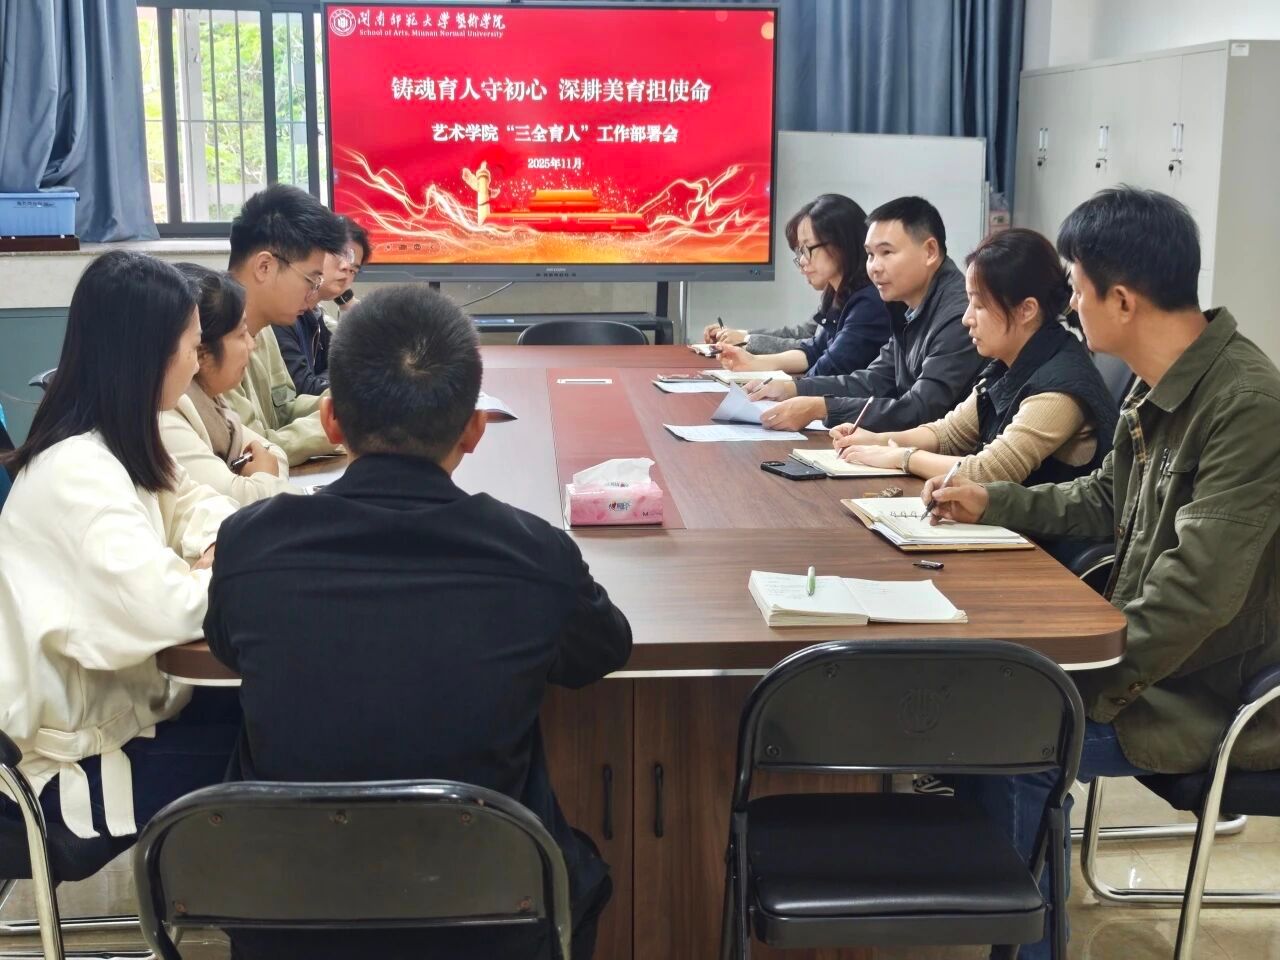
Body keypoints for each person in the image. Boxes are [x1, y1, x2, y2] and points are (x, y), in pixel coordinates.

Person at [205, 284, 633, 960]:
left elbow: (229, 649)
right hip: (489, 916)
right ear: (475, 428)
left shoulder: (249, 543)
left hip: (289, 912)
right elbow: (603, 651)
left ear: (332, 420)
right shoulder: (535, 555)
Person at [924, 188, 1280, 960]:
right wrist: (992, 500)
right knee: (982, 708)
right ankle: (994, 924)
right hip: (1157, 665)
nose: (1071, 306)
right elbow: (1103, 498)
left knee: (1015, 731)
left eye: (1076, 289)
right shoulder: (1160, 381)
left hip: (1210, 694)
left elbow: (1199, 594)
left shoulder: (1246, 405)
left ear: (1121, 300)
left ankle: (1025, 945)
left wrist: (1082, 684)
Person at [0, 251, 240, 843]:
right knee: (276, 751)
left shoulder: (121, 441)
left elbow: (202, 508)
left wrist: (215, 549)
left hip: (126, 719)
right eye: (192, 346)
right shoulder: (77, 471)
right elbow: (169, 608)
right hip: (72, 770)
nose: (197, 361)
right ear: (149, 355)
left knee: (274, 714)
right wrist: (217, 570)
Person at [833, 228, 1117, 485]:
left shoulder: (1060, 387)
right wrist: (875, 440)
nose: (967, 318)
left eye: (979, 305)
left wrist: (902, 457)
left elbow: (989, 471)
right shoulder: (1008, 363)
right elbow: (949, 434)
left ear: (1026, 310)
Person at [748, 196, 983, 433]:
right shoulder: (906, 303)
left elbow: (921, 409)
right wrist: (792, 389)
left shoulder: (958, 316)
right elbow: (875, 380)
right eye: (870, 254)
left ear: (930, 251)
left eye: (886, 252)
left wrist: (822, 408)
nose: (875, 267)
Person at [226, 183, 349, 466]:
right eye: (311, 280)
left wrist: (346, 403)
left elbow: (284, 409)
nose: (313, 293)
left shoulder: (265, 328)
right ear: (264, 266)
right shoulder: (211, 338)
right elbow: (252, 450)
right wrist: (338, 425)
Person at [701, 194, 890, 376]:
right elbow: (815, 348)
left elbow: (829, 367)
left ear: (842, 243)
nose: (802, 261)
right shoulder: (835, 294)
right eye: (799, 252)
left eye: (807, 249)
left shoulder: (869, 302)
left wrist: (783, 385)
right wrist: (753, 362)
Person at [161, 263, 298, 505]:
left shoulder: (213, 402)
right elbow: (236, 501)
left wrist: (262, 477)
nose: (252, 345)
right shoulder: (168, 412)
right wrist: (265, 476)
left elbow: (275, 455)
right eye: (241, 334)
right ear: (203, 352)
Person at [274, 217, 371, 395]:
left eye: (353, 269)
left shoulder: (314, 315)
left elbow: (344, 361)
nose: (346, 268)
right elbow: (304, 388)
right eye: (340, 256)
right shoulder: (283, 314)